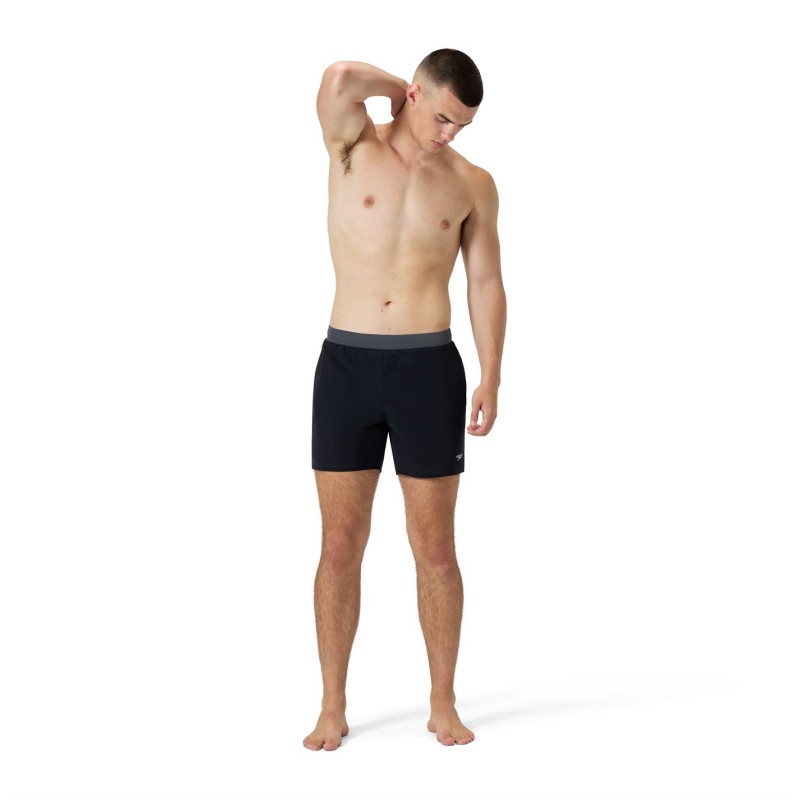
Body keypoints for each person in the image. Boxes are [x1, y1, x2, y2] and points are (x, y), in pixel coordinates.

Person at [304, 49, 506, 751]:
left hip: (428, 370)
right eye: (444, 116)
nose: (450, 134)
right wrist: (399, 91)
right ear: (418, 94)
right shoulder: (353, 144)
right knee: (338, 546)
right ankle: (333, 706)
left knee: (437, 550)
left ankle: (442, 703)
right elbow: (337, 78)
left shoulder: (472, 184)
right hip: (347, 365)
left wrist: (491, 375)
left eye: (463, 125)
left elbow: (485, 281)